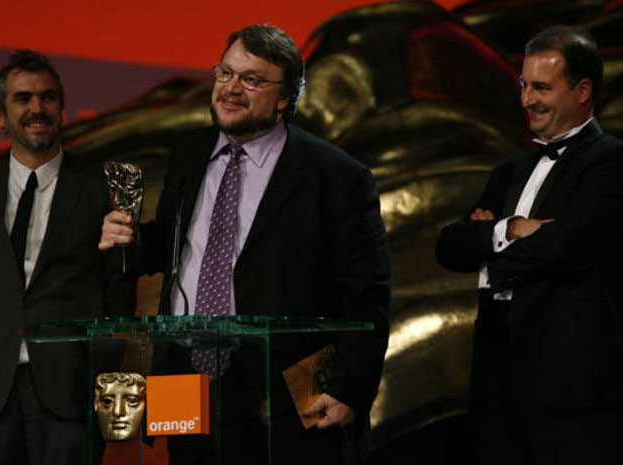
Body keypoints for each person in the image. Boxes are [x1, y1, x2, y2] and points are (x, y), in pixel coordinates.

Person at [99, 24, 390, 464]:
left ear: (285, 97)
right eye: (225, 73)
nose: (231, 89)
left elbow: (367, 293)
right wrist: (130, 239)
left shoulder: (335, 175)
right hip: (184, 371)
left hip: (282, 385)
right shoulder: (190, 152)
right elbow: (178, 243)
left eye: (251, 80)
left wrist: (349, 387)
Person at [436, 25, 623, 464]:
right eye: (523, 85)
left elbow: (560, 247)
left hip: (570, 391)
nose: (526, 100)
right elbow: (449, 247)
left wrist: (488, 241)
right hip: (496, 383)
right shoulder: (509, 170)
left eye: (541, 87)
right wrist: (513, 229)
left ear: (583, 91)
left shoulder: (611, 162)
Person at [0, 50, 134, 465]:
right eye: (23, 98)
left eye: (48, 97)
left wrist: (97, 371)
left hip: (72, 392)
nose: (37, 108)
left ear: (62, 109)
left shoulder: (100, 189)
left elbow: (118, 292)